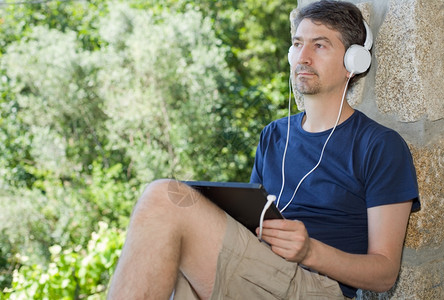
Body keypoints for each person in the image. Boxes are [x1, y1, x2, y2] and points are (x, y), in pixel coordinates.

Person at [107, 1, 420, 299]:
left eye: (320, 45)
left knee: (163, 197)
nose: (303, 57)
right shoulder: (274, 135)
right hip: (260, 270)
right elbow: (250, 220)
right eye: (298, 44)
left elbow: (384, 274)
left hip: (315, 289)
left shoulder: (380, 146)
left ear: (353, 62)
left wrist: (310, 250)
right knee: (165, 249)